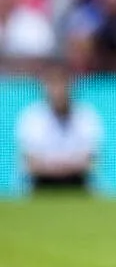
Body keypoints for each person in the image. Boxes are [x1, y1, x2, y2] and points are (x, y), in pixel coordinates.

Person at [15, 62, 103, 192]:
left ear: (71, 85)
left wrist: (61, 168)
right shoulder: (32, 116)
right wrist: (57, 168)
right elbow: (29, 162)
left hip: (77, 184)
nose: (58, 90)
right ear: (45, 86)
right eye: (53, 84)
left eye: (62, 83)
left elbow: (91, 161)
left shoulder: (86, 115)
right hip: (41, 185)